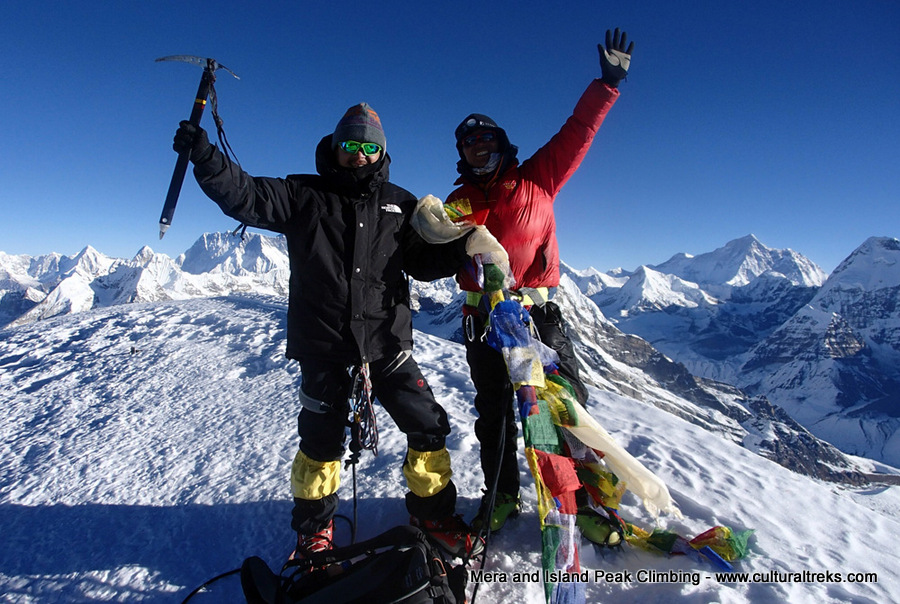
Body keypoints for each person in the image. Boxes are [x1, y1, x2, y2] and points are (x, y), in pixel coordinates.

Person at [172, 102, 484, 559]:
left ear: (380, 152)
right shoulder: (302, 194)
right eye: (349, 146)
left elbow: (422, 261)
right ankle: (314, 532)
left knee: (427, 425)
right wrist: (207, 157)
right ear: (335, 148)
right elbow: (247, 195)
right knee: (320, 442)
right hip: (325, 343)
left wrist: (463, 247)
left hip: (386, 343)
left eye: (368, 147)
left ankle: (432, 514)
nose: (358, 155)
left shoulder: (402, 203)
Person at [442, 29, 635, 542]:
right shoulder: (456, 202)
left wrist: (607, 84)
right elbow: (432, 248)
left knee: (561, 407)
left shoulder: (538, 177)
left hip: (536, 315)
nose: (478, 148)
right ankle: (502, 495)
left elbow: (578, 131)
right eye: (468, 143)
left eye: (486, 140)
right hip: (483, 320)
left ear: (502, 144)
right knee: (494, 412)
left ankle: (580, 502)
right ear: (461, 152)